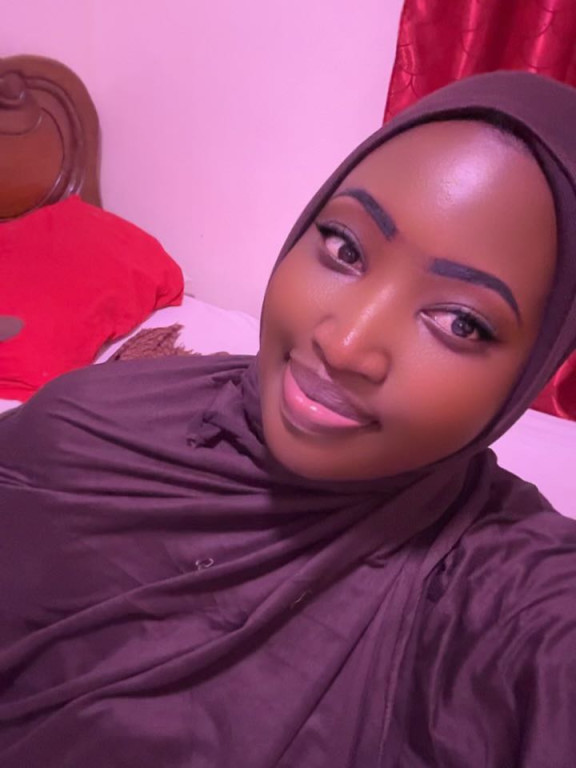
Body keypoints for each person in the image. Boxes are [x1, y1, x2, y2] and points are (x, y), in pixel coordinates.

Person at [0, 71, 575, 767]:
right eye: (345, 248)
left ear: (531, 371)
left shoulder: (516, 595)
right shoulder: (88, 424)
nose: (345, 344)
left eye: (460, 322)